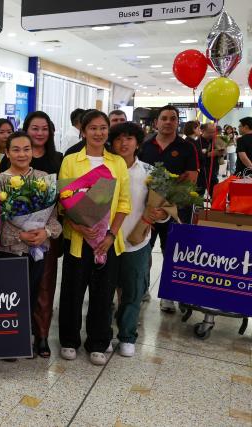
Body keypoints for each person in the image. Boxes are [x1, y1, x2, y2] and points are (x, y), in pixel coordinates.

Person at [58, 110, 131, 366]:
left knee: (103, 293)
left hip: (107, 242)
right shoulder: (71, 160)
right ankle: (69, 340)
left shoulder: (117, 163)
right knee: (72, 292)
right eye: (93, 128)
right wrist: (78, 226)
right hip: (78, 239)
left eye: (103, 128)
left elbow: (123, 203)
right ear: (83, 131)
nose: (98, 133)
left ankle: (98, 342)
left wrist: (110, 235)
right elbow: (64, 199)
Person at [0, 131, 62, 358]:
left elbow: (54, 217)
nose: (22, 154)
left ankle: (30, 338)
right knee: (8, 296)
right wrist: (19, 236)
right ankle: (8, 341)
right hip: (8, 250)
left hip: (37, 249)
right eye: (15, 149)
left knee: (33, 294)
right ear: (6, 152)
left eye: (26, 149)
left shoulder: (44, 178)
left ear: (33, 152)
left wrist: (45, 232)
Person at [109, 122, 166, 358]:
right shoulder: (104, 169)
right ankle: (102, 335)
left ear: (138, 142)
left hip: (136, 242)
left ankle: (127, 335)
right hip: (106, 242)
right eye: (119, 138)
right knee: (103, 293)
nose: (124, 143)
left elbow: (163, 209)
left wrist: (160, 215)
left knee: (133, 291)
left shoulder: (152, 173)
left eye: (130, 138)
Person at [139, 105, 198, 313]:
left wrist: (166, 207)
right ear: (156, 122)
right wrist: (150, 205)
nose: (168, 122)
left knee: (171, 252)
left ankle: (168, 295)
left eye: (172, 118)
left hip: (174, 210)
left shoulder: (187, 147)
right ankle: (141, 289)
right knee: (142, 250)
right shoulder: (144, 145)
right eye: (164, 118)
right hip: (145, 209)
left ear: (177, 122)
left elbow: (190, 179)